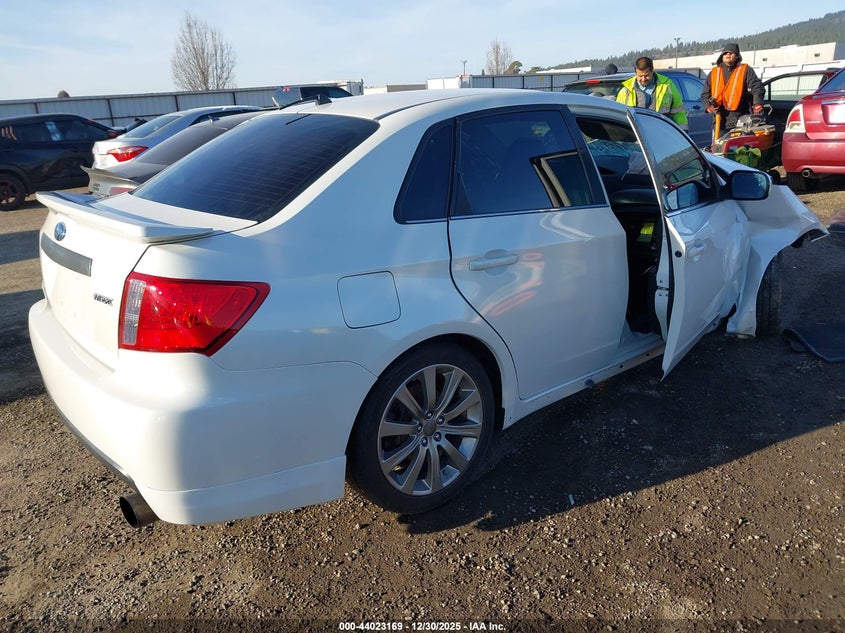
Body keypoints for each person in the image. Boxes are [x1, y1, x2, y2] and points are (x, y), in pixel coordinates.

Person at [701, 42, 764, 132]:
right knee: (718, 145)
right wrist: (708, 107)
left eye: (731, 52)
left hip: (741, 121)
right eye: (725, 53)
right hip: (719, 121)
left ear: (737, 56)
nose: (728, 54)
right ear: (722, 56)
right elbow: (705, 94)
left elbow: (757, 87)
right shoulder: (714, 72)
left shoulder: (745, 70)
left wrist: (757, 104)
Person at [616, 57, 688, 128]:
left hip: (661, 131)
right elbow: (618, 114)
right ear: (636, 73)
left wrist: (683, 130)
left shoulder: (667, 86)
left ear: (652, 71)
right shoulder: (625, 91)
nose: (643, 79)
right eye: (640, 76)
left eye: (646, 75)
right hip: (636, 133)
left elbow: (678, 112)